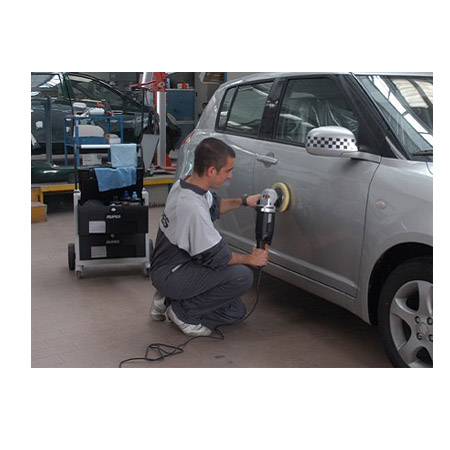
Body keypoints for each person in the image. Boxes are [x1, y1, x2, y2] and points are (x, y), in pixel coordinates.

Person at [150, 137, 268, 337]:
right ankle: (182, 313)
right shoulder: (192, 207)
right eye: (228, 170)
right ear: (212, 171)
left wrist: (245, 201)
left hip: (169, 267)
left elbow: (214, 205)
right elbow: (219, 258)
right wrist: (251, 258)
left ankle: (167, 300)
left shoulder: (186, 184)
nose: (230, 176)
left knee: (235, 312)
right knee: (242, 276)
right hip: (173, 273)